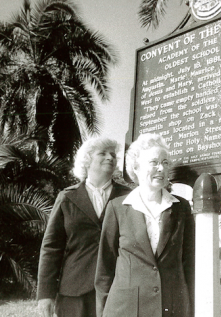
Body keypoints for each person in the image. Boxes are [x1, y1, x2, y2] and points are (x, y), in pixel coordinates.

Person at [95, 133, 195, 317]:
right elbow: (104, 270)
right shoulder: (117, 208)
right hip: (125, 310)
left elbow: (189, 265)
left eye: (165, 163)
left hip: (171, 308)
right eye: (154, 162)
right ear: (136, 167)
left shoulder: (181, 208)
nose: (161, 169)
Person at [37, 138, 131, 317]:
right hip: (74, 292)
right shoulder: (66, 197)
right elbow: (51, 248)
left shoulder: (128, 197)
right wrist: (45, 294)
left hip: (117, 288)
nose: (110, 157)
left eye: (113, 154)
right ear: (87, 160)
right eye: (102, 153)